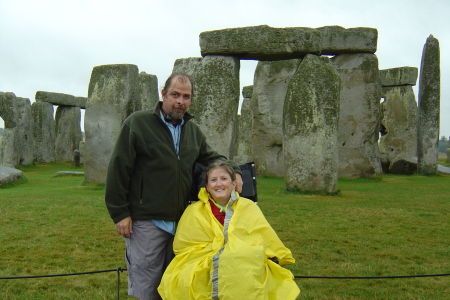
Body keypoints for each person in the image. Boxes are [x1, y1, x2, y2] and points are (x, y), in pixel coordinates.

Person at [105, 73, 243, 300]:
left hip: (183, 224)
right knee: (147, 287)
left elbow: (212, 158)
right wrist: (120, 213)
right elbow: (119, 169)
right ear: (163, 95)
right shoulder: (138, 123)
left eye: (186, 96)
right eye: (175, 95)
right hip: (146, 220)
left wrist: (234, 169)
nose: (180, 101)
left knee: (175, 285)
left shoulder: (193, 131)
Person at [158, 160, 300, 300]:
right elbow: (184, 246)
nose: (219, 184)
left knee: (242, 259)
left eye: (223, 179)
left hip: (242, 260)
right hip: (203, 260)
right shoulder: (194, 211)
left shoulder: (248, 207)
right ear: (207, 186)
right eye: (213, 180)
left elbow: (262, 236)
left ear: (233, 184)